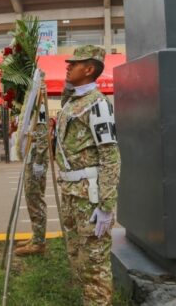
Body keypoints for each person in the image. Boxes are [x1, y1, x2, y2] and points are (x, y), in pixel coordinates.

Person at [54, 45, 120, 306]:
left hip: (89, 195)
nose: (68, 67)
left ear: (90, 69)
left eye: (75, 64)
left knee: (95, 263)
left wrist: (106, 206)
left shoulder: (98, 104)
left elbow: (110, 156)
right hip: (72, 192)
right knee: (76, 254)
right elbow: (65, 94)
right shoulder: (74, 101)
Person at [14, 91, 50, 257]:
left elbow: (43, 135)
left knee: (35, 198)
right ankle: (37, 236)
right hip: (31, 155)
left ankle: (39, 243)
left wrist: (39, 161)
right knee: (31, 198)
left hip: (37, 157)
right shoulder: (31, 106)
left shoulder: (39, 106)